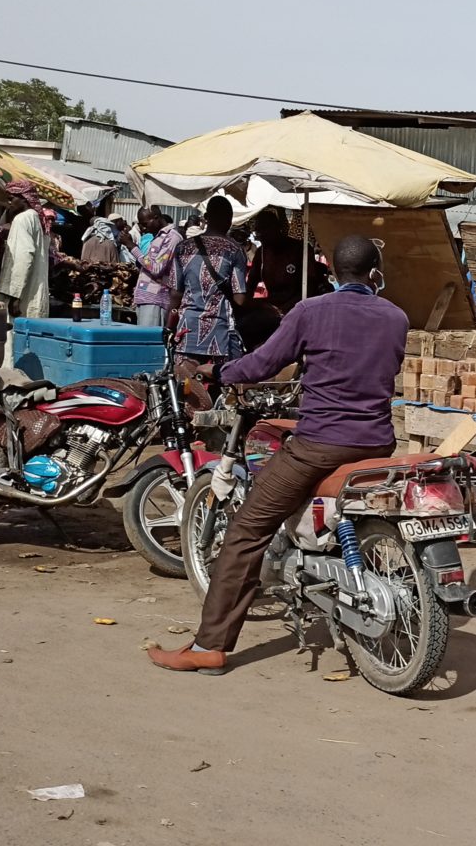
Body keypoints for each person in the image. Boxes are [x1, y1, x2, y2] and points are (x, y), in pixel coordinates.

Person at [148, 236, 412, 675]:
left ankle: (210, 645)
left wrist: (221, 371)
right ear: (375, 271)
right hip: (378, 440)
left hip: (321, 443)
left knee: (246, 531)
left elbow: (263, 364)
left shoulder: (311, 311)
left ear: (331, 269)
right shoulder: (396, 317)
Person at [171, 196, 250, 368]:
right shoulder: (235, 250)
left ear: (206, 217)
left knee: (185, 386)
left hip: (187, 330)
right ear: (230, 220)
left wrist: (169, 324)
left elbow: (175, 293)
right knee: (221, 389)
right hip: (220, 333)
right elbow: (239, 298)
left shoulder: (183, 247)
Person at [247, 207, 325, 312]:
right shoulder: (261, 253)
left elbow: (310, 287)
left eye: (264, 231)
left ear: (276, 228)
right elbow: (251, 284)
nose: (261, 236)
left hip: (299, 307)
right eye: (258, 233)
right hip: (273, 307)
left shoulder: (300, 249)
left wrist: (284, 309)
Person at [0, 181, 52, 319]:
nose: (9, 203)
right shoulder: (36, 218)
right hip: (35, 291)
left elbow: (24, 256)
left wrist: (15, 295)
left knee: (14, 336)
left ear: (24, 198)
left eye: (12, 198)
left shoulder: (22, 219)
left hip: (23, 295)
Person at [122, 207, 181, 328]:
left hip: (156, 300)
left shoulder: (172, 237)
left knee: (149, 343)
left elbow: (156, 268)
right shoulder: (157, 237)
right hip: (146, 299)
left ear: (156, 218)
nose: (143, 228)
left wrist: (132, 246)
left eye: (145, 224)